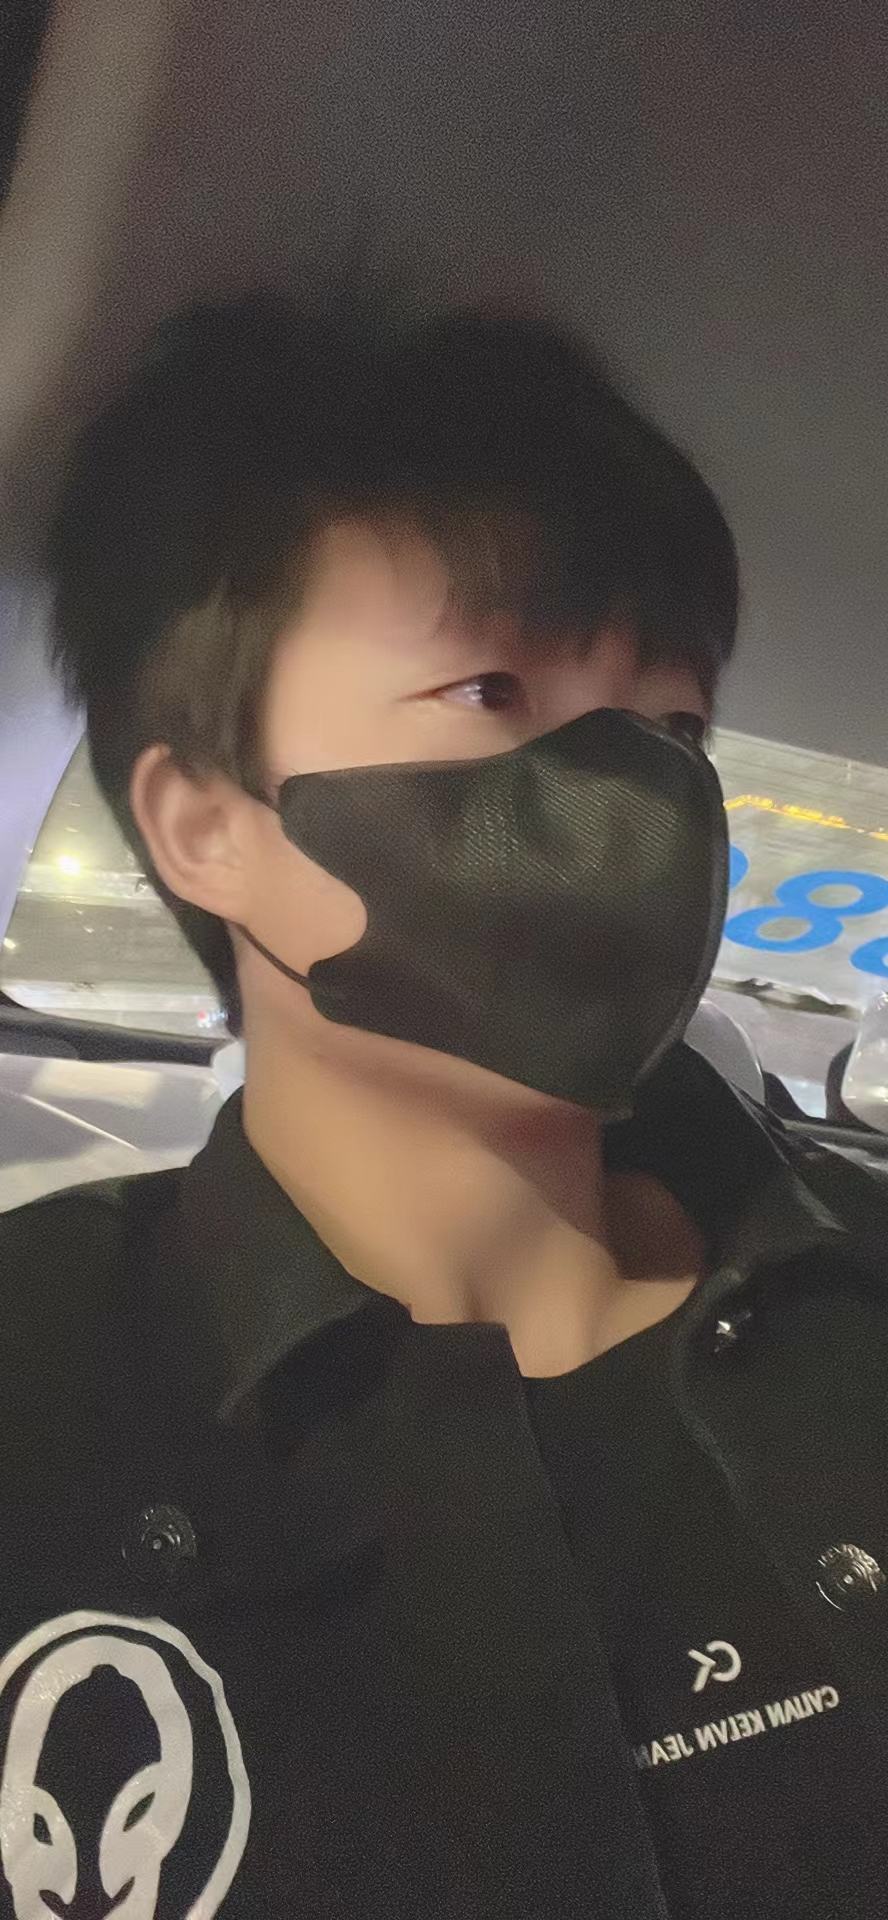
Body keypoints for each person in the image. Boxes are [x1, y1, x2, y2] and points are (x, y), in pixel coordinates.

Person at [2, 297, 888, 1920]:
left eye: (674, 729)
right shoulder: (37, 1382)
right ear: (206, 827)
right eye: (491, 690)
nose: (631, 804)